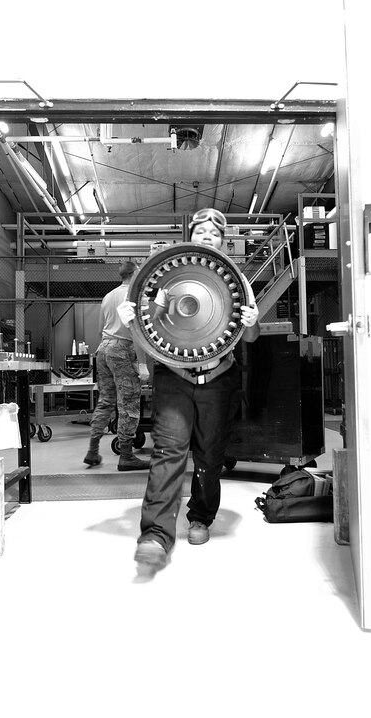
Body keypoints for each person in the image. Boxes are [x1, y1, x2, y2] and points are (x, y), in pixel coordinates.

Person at [117, 207, 260, 574]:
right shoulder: (169, 281)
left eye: (215, 232)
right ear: (191, 237)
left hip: (218, 379)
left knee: (210, 457)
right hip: (175, 376)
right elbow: (153, 326)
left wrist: (253, 322)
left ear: (225, 242)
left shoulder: (237, 281)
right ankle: (155, 536)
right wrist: (131, 320)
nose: (207, 236)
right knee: (169, 453)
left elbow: (251, 337)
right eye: (201, 231)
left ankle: (200, 517)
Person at [83, 260, 151, 471]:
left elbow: (99, 330)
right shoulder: (135, 296)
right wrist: (142, 364)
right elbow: (136, 332)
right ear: (136, 272)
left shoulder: (108, 296)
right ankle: (127, 456)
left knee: (105, 401)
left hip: (104, 349)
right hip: (123, 349)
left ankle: (93, 451)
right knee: (128, 403)